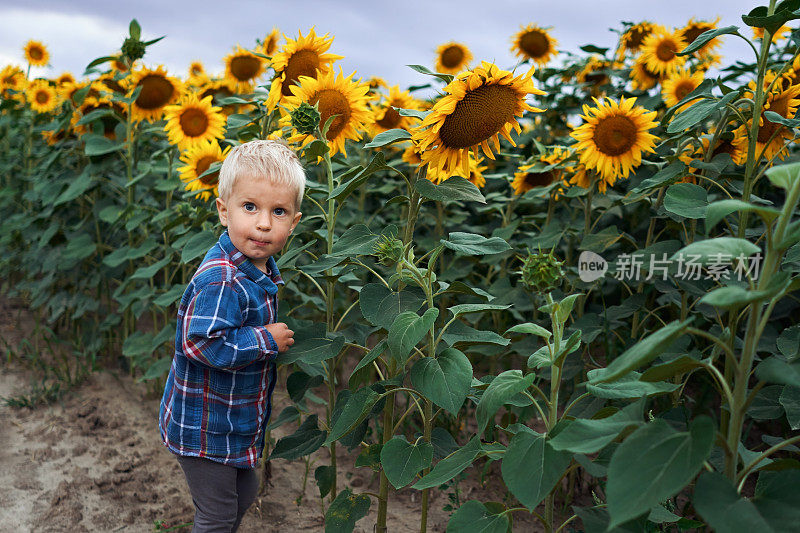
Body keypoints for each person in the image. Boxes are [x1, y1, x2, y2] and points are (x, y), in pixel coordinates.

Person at [159, 139, 304, 532]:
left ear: (294, 221)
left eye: (279, 211)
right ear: (224, 210)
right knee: (218, 514)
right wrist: (265, 340)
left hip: (228, 422)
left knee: (243, 494)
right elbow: (199, 342)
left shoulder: (256, 267)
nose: (263, 223)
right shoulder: (224, 279)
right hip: (204, 426)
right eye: (250, 207)